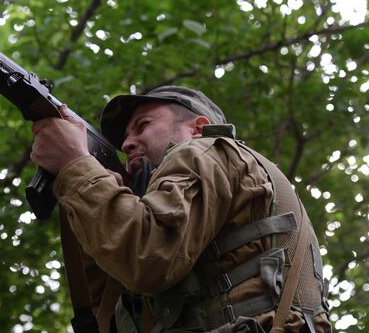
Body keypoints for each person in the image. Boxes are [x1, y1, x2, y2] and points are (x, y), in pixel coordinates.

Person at [31, 86, 331, 332]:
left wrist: (76, 166)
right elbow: (108, 316)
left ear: (197, 128)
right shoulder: (207, 194)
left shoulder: (203, 149)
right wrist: (100, 195)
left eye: (143, 126)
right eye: (125, 137)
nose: (127, 144)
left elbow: (145, 258)